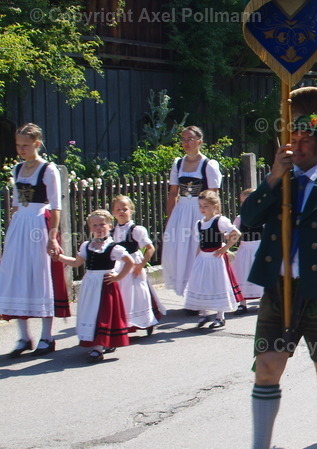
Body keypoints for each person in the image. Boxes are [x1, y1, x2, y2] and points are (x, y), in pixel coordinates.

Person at [220, 86, 317, 449]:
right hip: (279, 290)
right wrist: (272, 178)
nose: (297, 147)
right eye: (293, 140)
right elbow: (248, 219)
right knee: (266, 368)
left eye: (305, 140)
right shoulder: (278, 182)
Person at [0, 123, 70, 357]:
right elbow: (17, 204)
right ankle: (23, 337)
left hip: (39, 224)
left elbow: (56, 206)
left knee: (41, 277)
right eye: (18, 145)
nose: (21, 149)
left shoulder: (48, 170)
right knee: (17, 275)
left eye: (26, 145)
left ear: (37, 144)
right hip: (20, 225)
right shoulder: (17, 170)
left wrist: (52, 236)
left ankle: (47, 337)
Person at [54, 209, 135, 363]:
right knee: (91, 313)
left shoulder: (113, 247)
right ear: (90, 228)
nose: (98, 228)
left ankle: (97, 348)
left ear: (110, 226)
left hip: (105, 285)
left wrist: (118, 276)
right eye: (95, 225)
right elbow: (76, 262)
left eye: (102, 225)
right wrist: (59, 257)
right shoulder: (87, 246)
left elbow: (129, 262)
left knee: (102, 315)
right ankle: (100, 343)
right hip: (90, 284)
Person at [163, 126, 222, 298]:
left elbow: (213, 195)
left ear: (199, 141)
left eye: (190, 139)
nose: (186, 143)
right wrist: (170, 218)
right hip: (182, 211)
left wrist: (213, 221)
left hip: (200, 210)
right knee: (180, 250)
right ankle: (187, 291)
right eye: (183, 139)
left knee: (198, 249)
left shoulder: (208, 165)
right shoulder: (178, 163)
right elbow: (173, 192)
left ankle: (200, 291)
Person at [183, 191, 242, 329]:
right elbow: (200, 242)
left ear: (215, 206)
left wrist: (224, 248)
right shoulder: (199, 223)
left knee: (217, 285)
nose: (203, 209)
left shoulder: (220, 221)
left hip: (215, 259)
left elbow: (236, 234)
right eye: (201, 206)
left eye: (206, 206)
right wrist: (197, 257)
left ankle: (220, 317)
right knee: (201, 285)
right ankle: (203, 314)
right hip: (203, 258)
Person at [111, 195, 164, 334]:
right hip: (119, 265)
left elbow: (150, 248)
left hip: (134, 264)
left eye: (124, 209)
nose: (121, 212)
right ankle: (125, 323)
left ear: (131, 210)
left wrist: (141, 265)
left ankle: (144, 321)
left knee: (138, 293)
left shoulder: (136, 230)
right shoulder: (112, 231)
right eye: (118, 209)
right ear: (113, 213)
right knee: (122, 293)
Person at [232, 188, 265, 311]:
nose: (244, 205)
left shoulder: (263, 218)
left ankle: (263, 300)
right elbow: (234, 233)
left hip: (258, 249)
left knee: (259, 274)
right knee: (240, 274)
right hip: (244, 249)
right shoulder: (240, 218)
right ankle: (242, 303)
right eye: (242, 202)